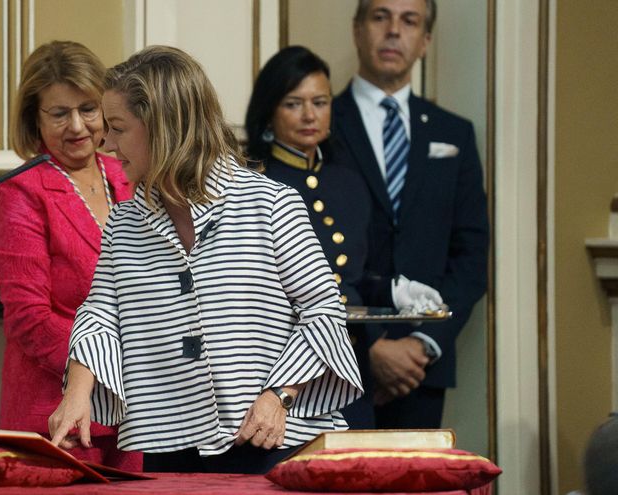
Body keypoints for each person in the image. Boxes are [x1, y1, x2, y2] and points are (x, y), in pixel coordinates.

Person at [48, 45, 362, 475]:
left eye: (118, 128)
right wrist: (77, 394)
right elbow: (101, 314)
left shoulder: (271, 204)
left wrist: (279, 396)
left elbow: (323, 312)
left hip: (274, 441)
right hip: (168, 443)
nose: (106, 143)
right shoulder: (125, 222)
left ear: (164, 127)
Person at [0, 40, 141, 471]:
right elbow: (29, 319)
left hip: (139, 415)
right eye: (59, 113)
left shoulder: (128, 174)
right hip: (59, 418)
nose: (77, 126)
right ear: (34, 118)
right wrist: (111, 366)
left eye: (88, 109)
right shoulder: (21, 191)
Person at [331, 0, 490, 429]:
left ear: (426, 41)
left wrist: (423, 343)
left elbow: (471, 255)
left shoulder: (454, 133)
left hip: (422, 372)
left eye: (409, 20)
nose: (394, 31)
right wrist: (370, 347)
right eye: (380, 16)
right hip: (336, 363)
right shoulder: (319, 124)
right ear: (358, 29)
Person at [245, 46, 376, 429]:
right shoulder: (252, 182)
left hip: (349, 363)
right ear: (270, 110)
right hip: (280, 368)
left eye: (320, 102)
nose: (309, 115)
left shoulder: (349, 183)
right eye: (293, 104)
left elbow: (356, 277)